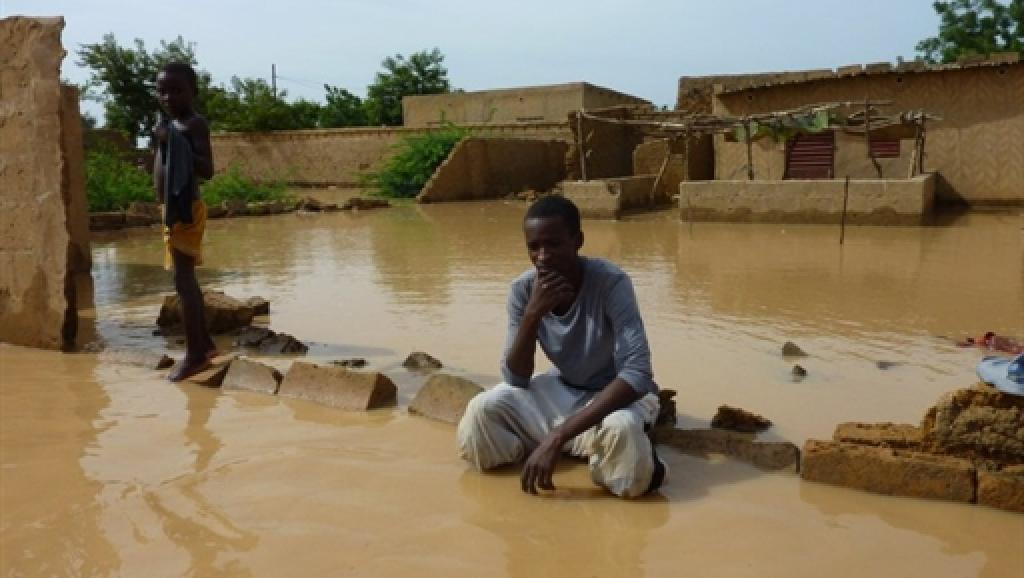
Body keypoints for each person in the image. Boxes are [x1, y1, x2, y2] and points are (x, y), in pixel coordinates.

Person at [457, 195, 666, 498]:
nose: (542, 256)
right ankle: (573, 448)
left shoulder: (610, 283)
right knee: (481, 412)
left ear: (577, 241)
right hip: (565, 387)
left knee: (622, 433)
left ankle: (640, 461)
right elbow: (516, 378)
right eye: (533, 247)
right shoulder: (522, 290)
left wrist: (557, 436)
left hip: (614, 394)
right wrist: (532, 315)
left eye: (553, 245)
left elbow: (637, 373)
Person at [153, 62, 217, 381]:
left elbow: (207, 169)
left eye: (176, 90)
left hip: (186, 210)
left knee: (184, 281)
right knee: (184, 279)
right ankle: (204, 343)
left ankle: (195, 356)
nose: (168, 96)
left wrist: (171, 141)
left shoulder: (192, 124)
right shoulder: (167, 123)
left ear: (193, 92)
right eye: (162, 90)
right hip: (172, 211)